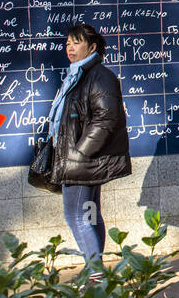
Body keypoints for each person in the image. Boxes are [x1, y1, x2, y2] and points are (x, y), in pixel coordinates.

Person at [46, 23, 131, 281]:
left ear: (92, 47)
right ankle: (95, 271)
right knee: (90, 215)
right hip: (81, 160)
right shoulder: (79, 74)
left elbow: (107, 118)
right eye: (68, 43)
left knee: (76, 216)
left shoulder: (97, 75)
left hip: (81, 161)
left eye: (76, 42)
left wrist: (80, 152)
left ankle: (97, 276)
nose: (69, 47)